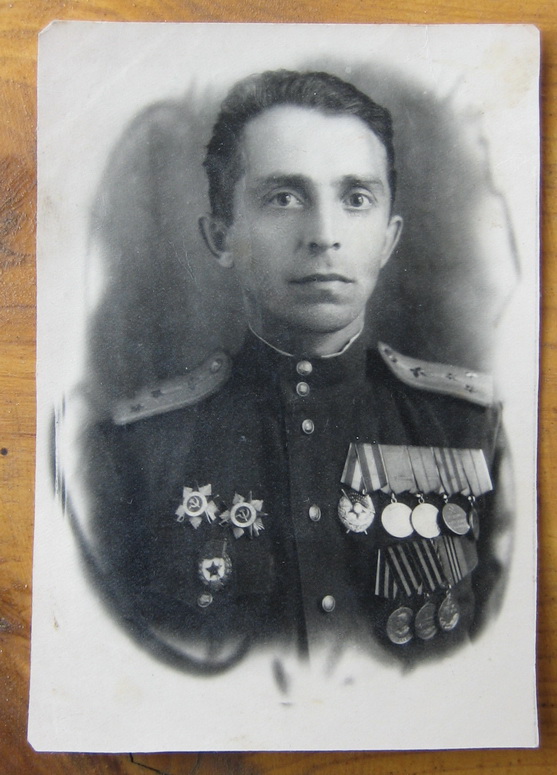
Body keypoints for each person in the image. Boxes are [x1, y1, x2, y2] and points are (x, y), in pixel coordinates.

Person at [81, 70, 509, 674]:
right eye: (284, 198)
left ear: (388, 239)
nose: (324, 237)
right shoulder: (136, 450)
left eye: (355, 198)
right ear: (221, 237)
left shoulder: (471, 427)